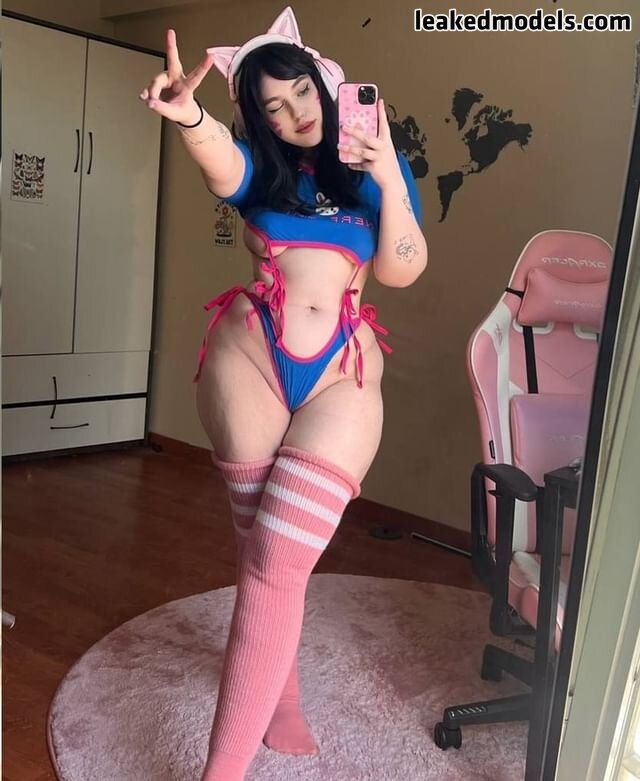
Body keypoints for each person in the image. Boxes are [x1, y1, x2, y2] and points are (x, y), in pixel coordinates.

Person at [139, 7, 427, 779]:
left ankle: (220, 770)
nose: (295, 112)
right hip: (250, 359)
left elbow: (402, 268)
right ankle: (282, 691)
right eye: (272, 105)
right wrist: (189, 116)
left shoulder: (370, 172)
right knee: (260, 553)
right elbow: (220, 163)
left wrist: (387, 172)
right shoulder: (260, 174)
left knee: (276, 556)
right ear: (259, 119)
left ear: (325, 86)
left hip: (340, 373)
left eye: (301, 91)